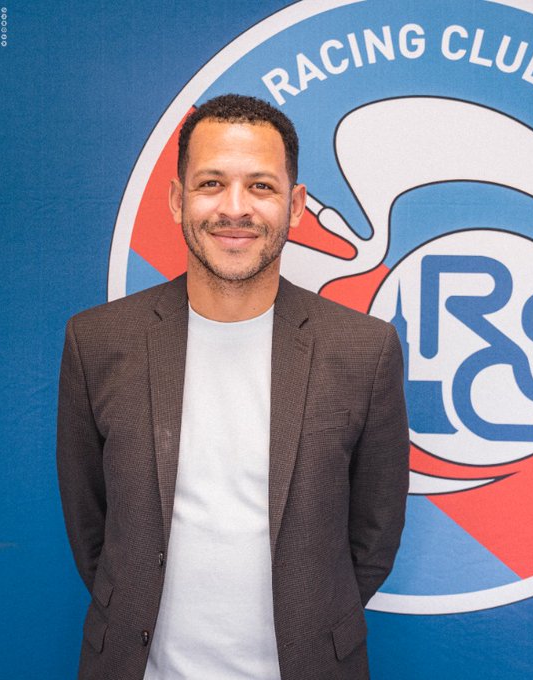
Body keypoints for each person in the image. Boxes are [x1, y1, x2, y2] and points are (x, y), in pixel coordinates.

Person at [57, 94, 409, 680]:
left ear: (296, 206)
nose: (235, 208)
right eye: (212, 183)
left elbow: (372, 540)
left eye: (261, 186)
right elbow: (91, 528)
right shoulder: (97, 342)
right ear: (178, 200)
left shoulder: (364, 350)